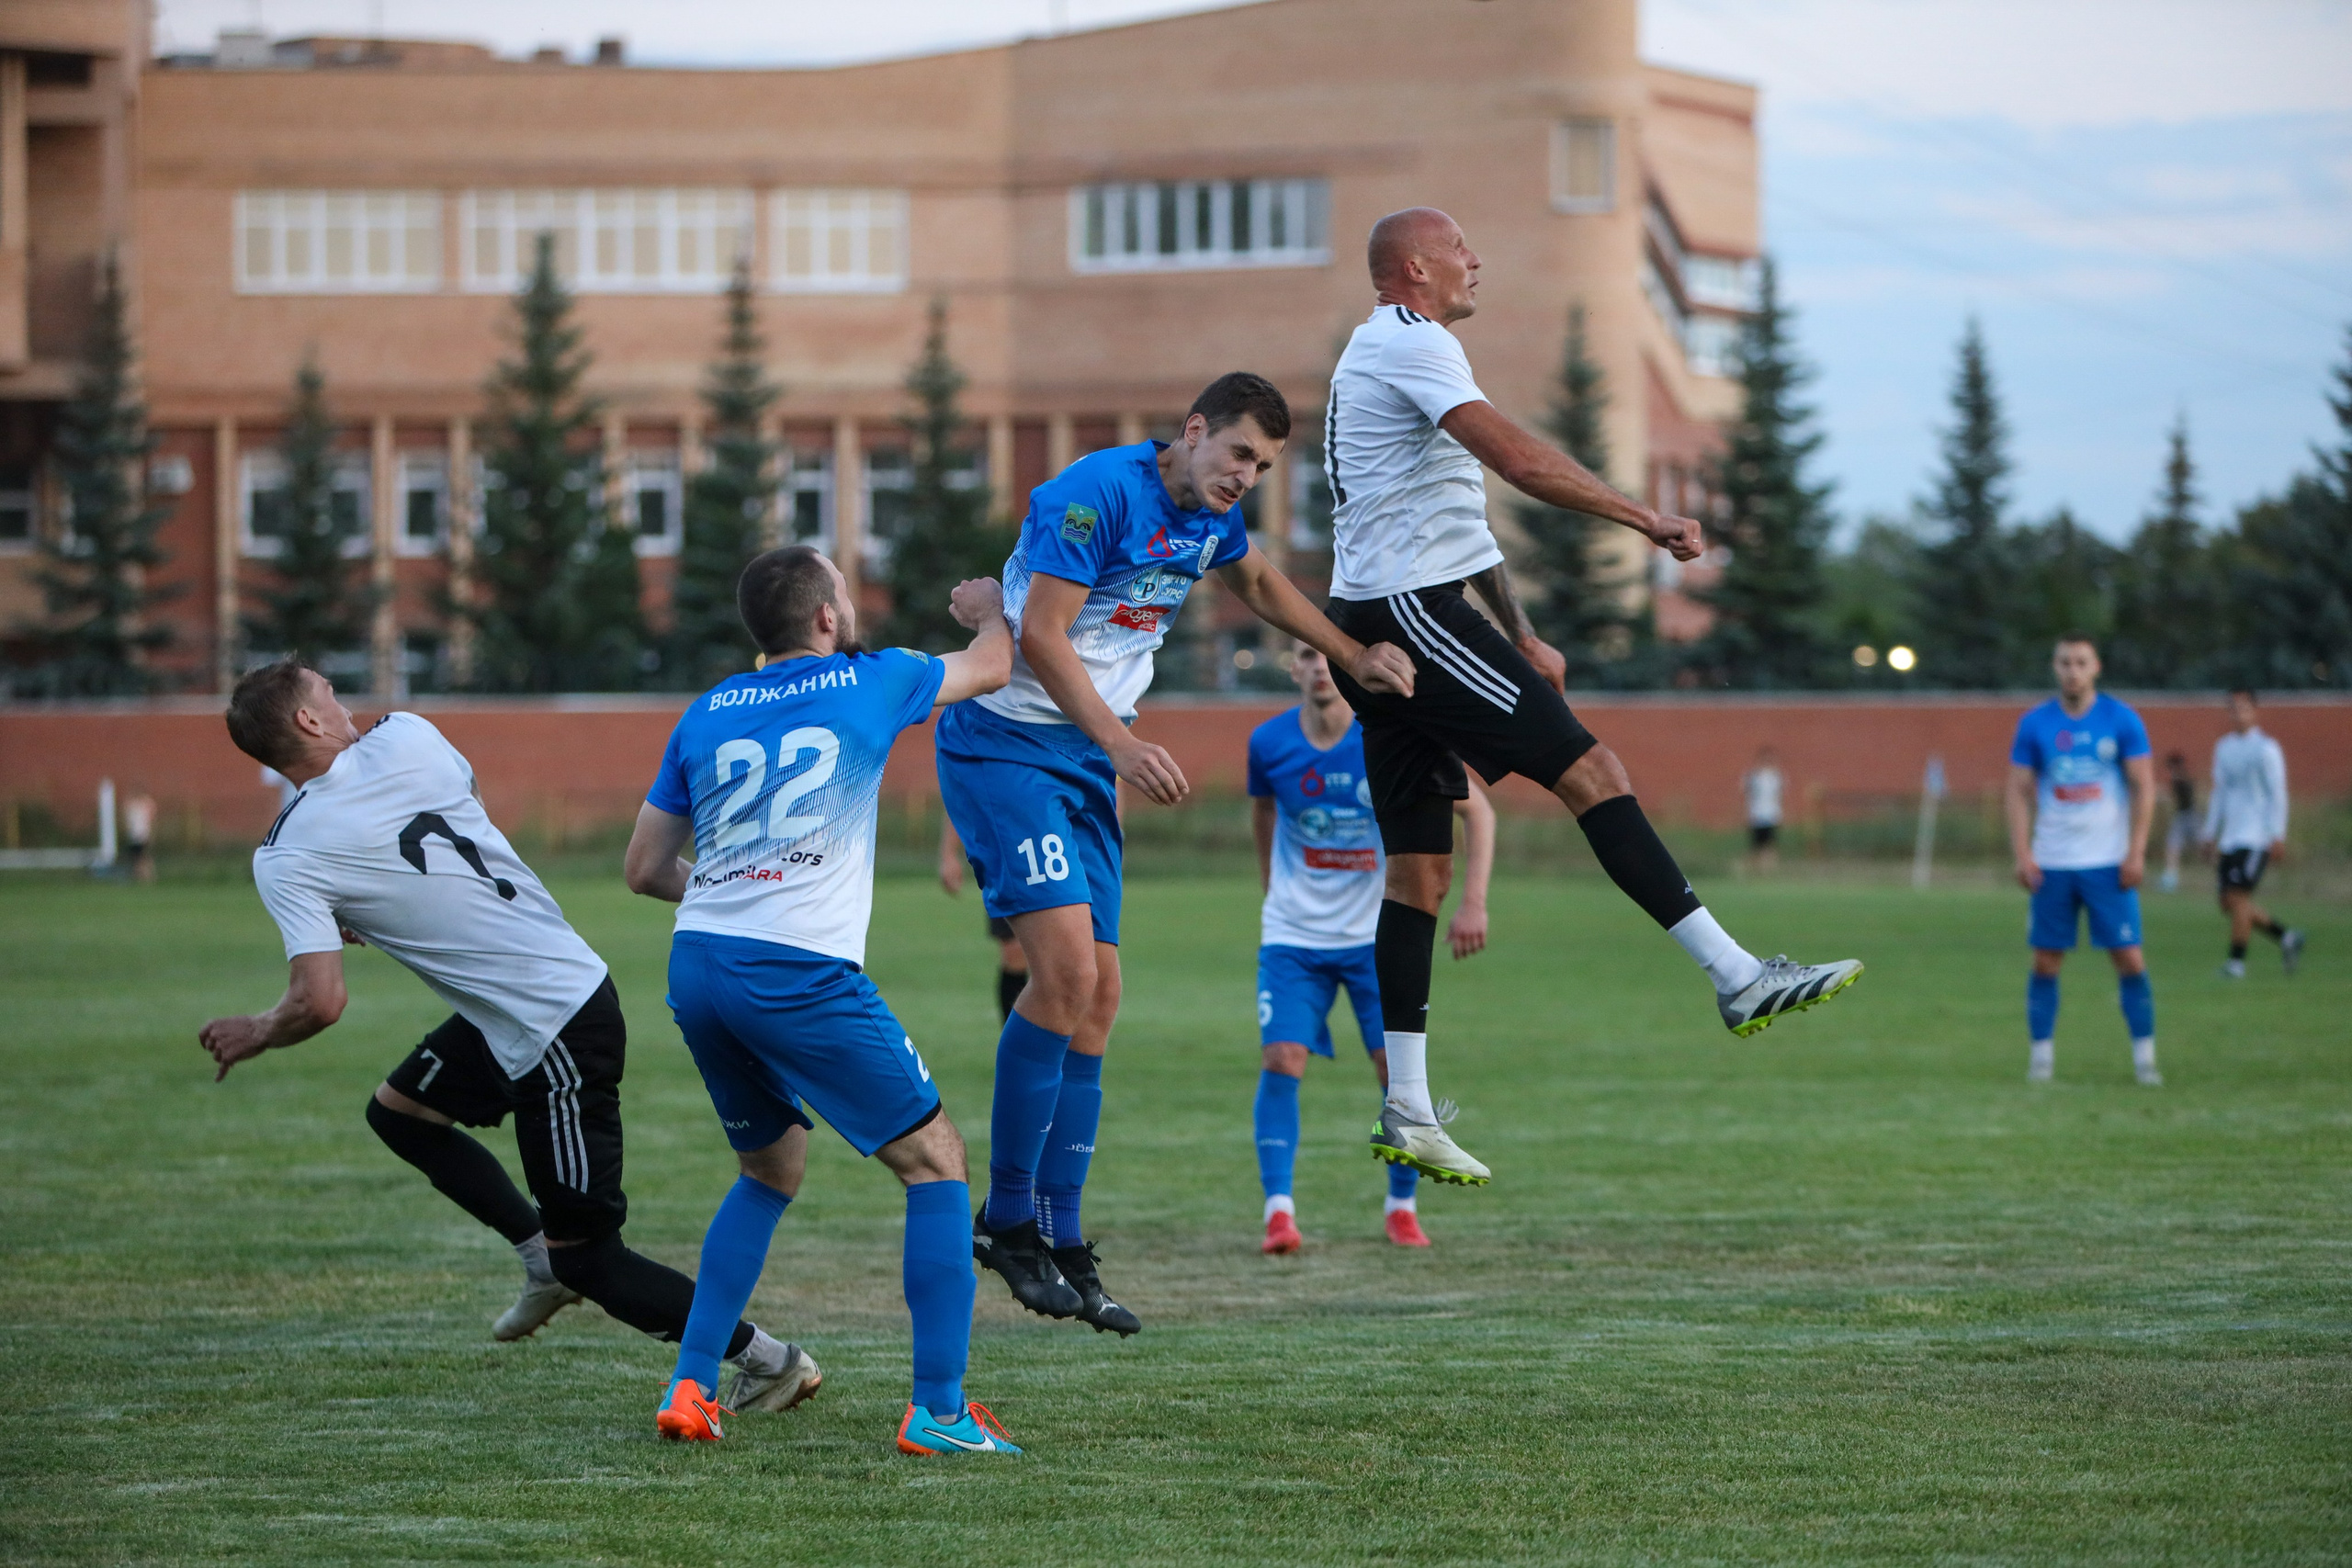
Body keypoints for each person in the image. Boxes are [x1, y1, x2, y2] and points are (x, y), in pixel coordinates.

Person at [1317, 208, 1862, 1185]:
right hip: (1412, 614)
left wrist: (1521, 633)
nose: (1476, 258)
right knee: (1592, 770)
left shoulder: (1390, 349)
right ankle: (1736, 976)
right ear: (1414, 268)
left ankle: (1407, 1107)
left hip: (1381, 614)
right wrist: (1645, 518)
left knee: (1418, 877)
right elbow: (1520, 463)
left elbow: (1458, 522)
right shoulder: (1411, 341)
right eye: (1459, 248)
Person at [200, 660, 816, 1415]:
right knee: (400, 1112)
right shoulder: (408, 735)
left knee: (591, 1259)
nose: (343, 701)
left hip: (554, 1026)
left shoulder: (287, 852)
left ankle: (768, 1359)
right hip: (526, 1009)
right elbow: (461, 814)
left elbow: (317, 1001)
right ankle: (538, 1257)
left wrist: (258, 1030)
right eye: (329, 691)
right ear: (306, 720)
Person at [936, 370, 1416, 1336]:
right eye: (1239, 453)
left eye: (1264, 466)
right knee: (1064, 975)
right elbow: (1042, 634)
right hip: (1008, 744)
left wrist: (1353, 655)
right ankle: (1005, 1219)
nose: (1247, 477)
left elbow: (1258, 581)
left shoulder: (1207, 516)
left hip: (1082, 754)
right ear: (1193, 431)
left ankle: (1062, 1234)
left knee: (1102, 996)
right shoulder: (1093, 493)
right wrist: (1121, 744)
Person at [623, 547, 1022, 1455]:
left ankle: (691, 1384)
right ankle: (940, 1412)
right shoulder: (874, 677)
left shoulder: (706, 710)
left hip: (700, 964)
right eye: (842, 586)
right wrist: (990, 608)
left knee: (769, 1172)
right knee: (937, 1162)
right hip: (796, 970)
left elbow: (643, 869)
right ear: (827, 618)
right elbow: (995, 666)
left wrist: (736, 893)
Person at [1250, 641, 1494, 1255]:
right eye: (1305, 654)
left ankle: (1401, 1209)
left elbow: (1480, 812)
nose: (1318, 666)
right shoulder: (1268, 742)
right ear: (1294, 668)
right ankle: (1279, 1214)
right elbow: (1264, 814)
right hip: (1293, 938)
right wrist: (1273, 888)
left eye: (1326, 655)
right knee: (1282, 1058)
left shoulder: (1385, 735)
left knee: (1394, 1072)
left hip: (1375, 940)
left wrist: (1473, 901)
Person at [2004, 636, 2161, 1087]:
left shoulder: (2121, 719)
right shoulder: (2035, 723)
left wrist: (2136, 851)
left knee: (2129, 959)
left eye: (2080, 662)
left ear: (2096, 668)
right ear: (2055, 667)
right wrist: (2023, 853)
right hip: (2052, 863)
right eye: (2064, 662)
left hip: (2108, 863)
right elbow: (2016, 791)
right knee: (2046, 961)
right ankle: (2041, 1061)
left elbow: (2144, 786)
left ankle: (2145, 1060)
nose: (2072, 671)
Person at [2201, 690, 2303, 979]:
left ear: (2254, 711)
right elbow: (2219, 792)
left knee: (2238, 898)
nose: (2238, 714)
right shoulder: (2224, 747)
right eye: (2233, 708)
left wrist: (2277, 834)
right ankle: (2287, 937)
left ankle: (2236, 964)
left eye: (2244, 708)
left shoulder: (2266, 748)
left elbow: (2278, 793)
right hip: (2230, 837)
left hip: (2256, 836)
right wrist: (2209, 832)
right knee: (2228, 903)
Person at [939, 818, 1028, 1021]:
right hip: (1007, 852)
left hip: (1060, 845)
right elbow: (958, 797)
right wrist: (949, 854)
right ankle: (1015, 1038)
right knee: (1014, 951)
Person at [1742, 747, 1784, 873]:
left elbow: (1779, 797)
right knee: (1756, 846)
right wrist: (1746, 814)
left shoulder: (1776, 777)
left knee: (1770, 845)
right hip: (1756, 815)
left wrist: (1781, 814)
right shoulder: (1753, 777)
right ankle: (1753, 870)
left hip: (1771, 814)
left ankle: (1768, 871)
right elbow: (1747, 796)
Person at [2159, 750, 2197, 893]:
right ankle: (2170, 877)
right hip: (2184, 816)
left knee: (2174, 846)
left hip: (2188, 816)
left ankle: (2171, 878)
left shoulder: (2181, 779)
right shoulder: (2181, 778)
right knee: (2172, 846)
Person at [122, 790, 157, 884]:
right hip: (133, 835)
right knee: (136, 857)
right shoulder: (132, 805)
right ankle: (140, 876)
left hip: (142, 834)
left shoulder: (144, 804)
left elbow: (151, 818)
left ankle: (147, 876)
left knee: (142, 856)